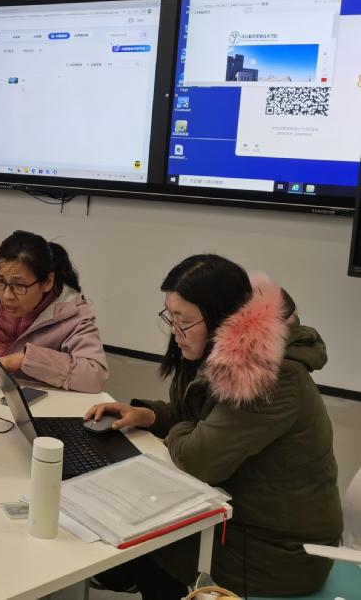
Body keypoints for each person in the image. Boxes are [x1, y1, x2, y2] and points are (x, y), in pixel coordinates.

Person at [88, 255, 342, 598]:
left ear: (221, 317)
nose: (174, 331)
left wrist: (180, 429)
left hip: (280, 552)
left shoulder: (271, 378)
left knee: (149, 540)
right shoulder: (226, 353)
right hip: (242, 519)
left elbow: (198, 459)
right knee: (135, 521)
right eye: (170, 317)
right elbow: (199, 418)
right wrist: (150, 416)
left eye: (184, 321)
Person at [0, 231, 108, 392]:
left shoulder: (71, 312)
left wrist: (27, 360)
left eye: (20, 286)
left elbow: (95, 375)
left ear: (47, 282)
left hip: (34, 401)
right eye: (0, 281)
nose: (7, 296)